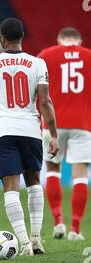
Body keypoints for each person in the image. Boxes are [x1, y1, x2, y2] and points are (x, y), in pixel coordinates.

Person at [0, 18, 59, 256]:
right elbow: (44, 102)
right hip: (31, 131)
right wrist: (53, 134)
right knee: (34, 182)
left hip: (5, 131)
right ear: (22, 36)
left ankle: (24, 244)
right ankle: (36, 239)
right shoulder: (38, 63)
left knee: (11, 188)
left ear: (1, 38)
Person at [39, 27, 91, 240]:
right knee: (80, 176)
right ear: (79, 40)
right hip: (83, 123)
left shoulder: (46, 55)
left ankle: (58, 221)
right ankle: (75, 229)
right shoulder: (89, 56)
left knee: (52, 171)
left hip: (53, 124)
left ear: (60, 40)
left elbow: (38, 90)